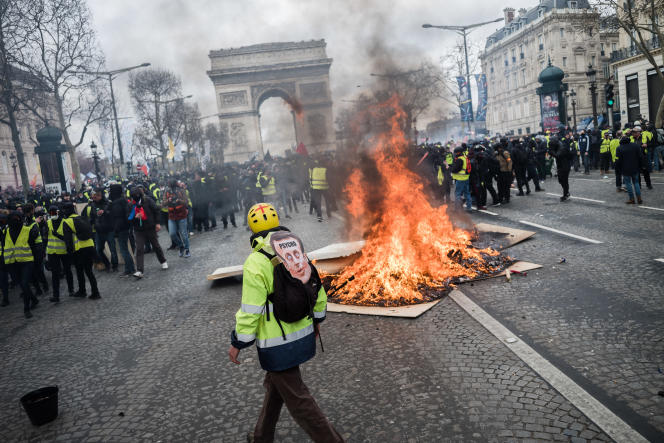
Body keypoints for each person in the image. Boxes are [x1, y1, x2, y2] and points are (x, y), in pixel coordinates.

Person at [228, 203, 343, 443]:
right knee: (276, 385)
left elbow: (251, 310)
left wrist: (238, 340)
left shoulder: (256, 261)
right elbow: (315, 288)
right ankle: (261, 437)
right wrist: (318, 320)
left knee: (299, 399)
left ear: (251, 228)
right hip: (303, 332)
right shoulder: (295, 249)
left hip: (276, 343)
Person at [59, 202, 100, 299]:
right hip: (90, 246)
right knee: (89, 272)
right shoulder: (82, 218)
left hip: (79, 249)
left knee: (80, 271)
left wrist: (69, 252)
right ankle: (95, 292)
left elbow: (68, 240)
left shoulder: (67, 221)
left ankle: (82, 291)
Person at [4, 211, 40, 318]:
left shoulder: (27, 230)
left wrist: (36, 260)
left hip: (26, 261)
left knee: (25, 284)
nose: (15, 221)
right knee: (22, 285)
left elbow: (33, 247)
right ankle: (34, 299)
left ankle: (26, 309)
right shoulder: (5, 231)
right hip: (12, 263)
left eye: (17, 218)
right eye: (13, 219)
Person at [129, 186, 168, 278]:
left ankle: (163, 261)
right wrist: (134, 217)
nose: (134, 197)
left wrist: (157, 223)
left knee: (156, 245)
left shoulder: (148, 200)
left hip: (150, 227)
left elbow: (156, 211)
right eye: (133, 195)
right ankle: (139, 270)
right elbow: (129, 218)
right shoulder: (131, 205)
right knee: (139, 248)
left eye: (136, 195)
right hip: (138, 229)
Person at [45, 205, 74, 302]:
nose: (52, 214)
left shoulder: (64, 222)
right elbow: (45, 237)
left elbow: (68, 238)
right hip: (52, 252)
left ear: (58, 212)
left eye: (54, 212)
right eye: (51, 213)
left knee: (68, 271)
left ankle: (71, 290)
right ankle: (56, 296)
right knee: (55, 274)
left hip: (64, 251)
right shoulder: (48, 222)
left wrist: (58, 235)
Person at [109, 183, 136, 277]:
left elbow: (118, 218)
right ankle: (129, 268)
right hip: (125, 227)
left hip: (121, 229)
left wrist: (116, 230)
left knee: (124, 250)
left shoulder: (116, 203)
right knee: (124, 249)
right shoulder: (122, 200)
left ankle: (130, 269)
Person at [90, 188, 118, 272]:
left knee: (112, 250)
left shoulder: (108, 203)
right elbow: (92, 217)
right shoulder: (92, 205)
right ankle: (107, 264)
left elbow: (113, 215)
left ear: (101, 195)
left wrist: (105, 212)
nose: (95, 197)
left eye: (97, 195)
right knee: (99, 250)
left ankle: (115, 266)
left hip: (109, 230)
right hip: (99, 231)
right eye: (94, 196)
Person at [165, 180, 190, 258]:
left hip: (181, 215)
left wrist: (179, 200)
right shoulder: (167, 191)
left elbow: (186, 202)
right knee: (172, 233)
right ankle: (181, 246)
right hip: (172, 216)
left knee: (184, 234)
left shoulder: (181, 191)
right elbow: (162, 203)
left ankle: (187, 249)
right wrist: (167, 201)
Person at [615, 136, 644, 204]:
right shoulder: (635, 145)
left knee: (628, 184)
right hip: (635, 167)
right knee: (636, 183)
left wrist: (618, 169)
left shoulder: (619, 148)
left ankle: (632, 199)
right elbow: (640, 156)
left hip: (625, 169)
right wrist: (641, 166)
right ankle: (639, 198)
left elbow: (618, 160)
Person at [548, 136, 572, 201]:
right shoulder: (558, 145)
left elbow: (558, 155)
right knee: (560, 180)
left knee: (564, 180)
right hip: (561, 165)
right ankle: (566, 192)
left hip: (565, 165)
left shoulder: (562, 147)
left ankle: (566, 194)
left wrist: (551, 152)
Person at [451, 146, 472, 211]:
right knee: (467, 193)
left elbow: (455, 169)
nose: (454, 154)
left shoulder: (459, 159)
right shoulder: (465, 157)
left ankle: (457, 209)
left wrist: (451, 168)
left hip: (460, 179)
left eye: (455, 153)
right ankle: (469, 208)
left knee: (457, 194)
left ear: (458, 153)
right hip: (466, 178)